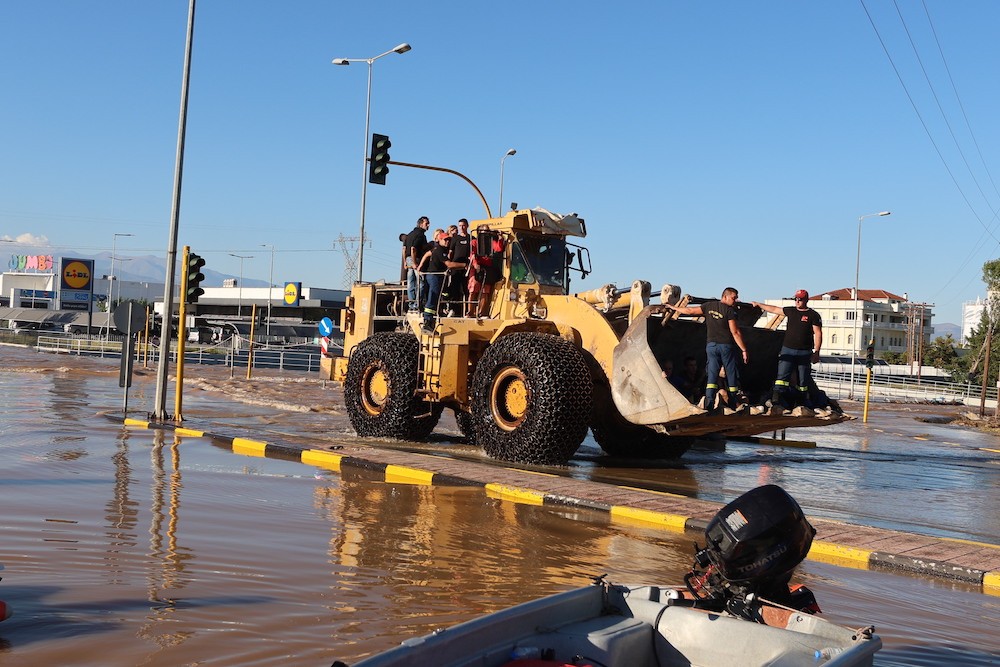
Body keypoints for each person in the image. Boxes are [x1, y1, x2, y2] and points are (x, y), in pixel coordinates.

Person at [663, 287, 749, 413]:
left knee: (712, 376)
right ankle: (733, 404)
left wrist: (674, 308)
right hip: (725, 346)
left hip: (711, 346)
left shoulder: (708, 306)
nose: (735, 300)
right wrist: (744, 349)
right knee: (731, 374)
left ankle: (708, 404)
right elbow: (735, 332)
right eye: (734, 297)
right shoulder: (729, 311)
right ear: (725, 296)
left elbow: (690, 311)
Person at [752, 289, 823, 413]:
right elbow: (774, 309)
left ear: (806, 300)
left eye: (800, 299)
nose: (797, 301)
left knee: (803, 380)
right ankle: (776, 402)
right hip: (788, 350)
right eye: (796, 299)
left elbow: (818, 333)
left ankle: (801, 403)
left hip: (804, 352)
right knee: (782, 377)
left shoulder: (813, 315)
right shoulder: (791, 311)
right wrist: (759, 304)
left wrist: (817, 352)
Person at [417, 231, 464, 331]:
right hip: (434, 276)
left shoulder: (438, 249)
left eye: (449, 240)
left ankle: (437, 316)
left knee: (442, 294)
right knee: (432, 297)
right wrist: (464, 265)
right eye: (445, 240)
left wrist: (420, 265)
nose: (447, 241)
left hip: (436, 276)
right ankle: (427, 321)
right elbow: (449, 264)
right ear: (440, 240)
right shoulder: (440, 250)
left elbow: (427, 254)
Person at [403, 216, 430, 311]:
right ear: (421, 224)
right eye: (426, 223)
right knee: (421, 282)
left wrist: (405, 262)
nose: (428, 225)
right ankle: (417, 304)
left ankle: (411, 304)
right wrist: (415, 263)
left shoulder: (409, 234)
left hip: (408, 259)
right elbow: (413, 249)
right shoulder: (420, 235)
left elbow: (404, 249)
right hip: (415, 259)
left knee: (410, 282)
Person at [445, 219, 471, 316]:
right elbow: (450, 252)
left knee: (467, 289)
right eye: (460, 226)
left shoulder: (471, 238)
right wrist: (449, 264)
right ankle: (453, 309)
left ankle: (468, 311)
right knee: (454, 289)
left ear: (467, 226)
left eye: (463, 225)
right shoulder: (455, 239)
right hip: (456, 268)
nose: (461, 227)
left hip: (467, 268)